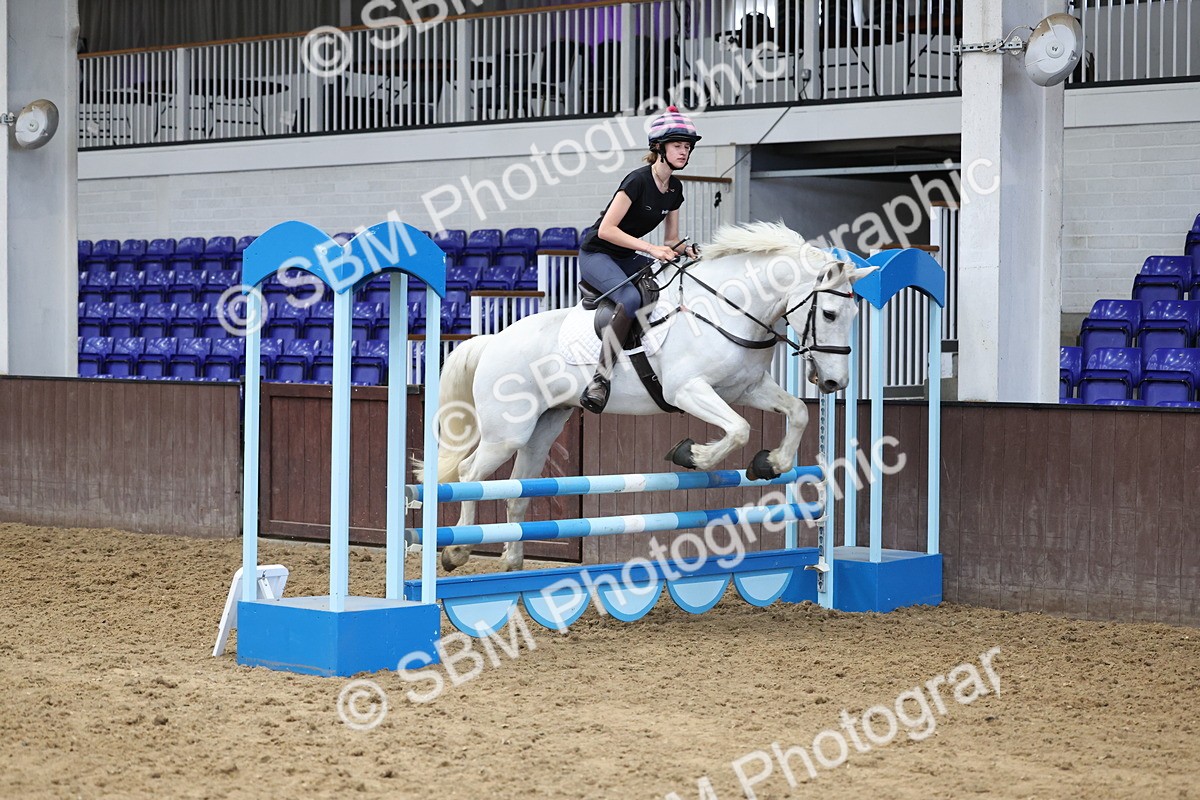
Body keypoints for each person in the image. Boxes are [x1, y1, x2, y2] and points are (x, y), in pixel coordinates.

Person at [577, 106, 702, 414]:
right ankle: (600, 378)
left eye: (687, 146)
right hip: (598, 253)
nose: (684, 151)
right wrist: (650, 249)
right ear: (659, 148)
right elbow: (607, 230)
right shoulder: (637, 181)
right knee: (631, 299)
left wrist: (684, 248)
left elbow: (670, 240)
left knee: (665, 292)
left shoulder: (675, 187)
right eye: (677, 145)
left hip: (627, 256)